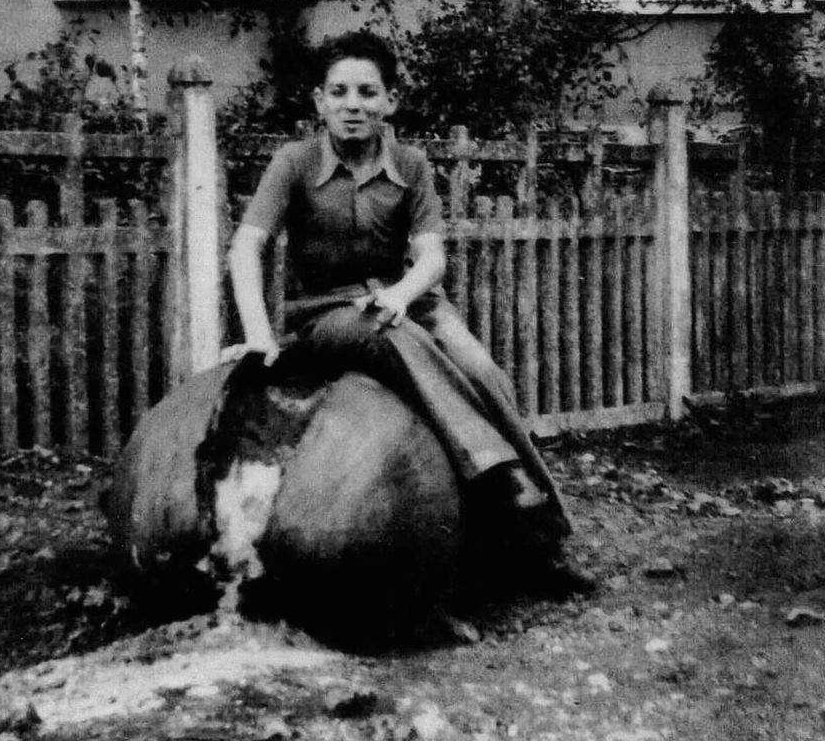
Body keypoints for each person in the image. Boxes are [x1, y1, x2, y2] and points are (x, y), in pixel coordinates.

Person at [225, 32, 574, 575]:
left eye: (368, 93)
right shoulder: (293, 162)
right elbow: (247, 245)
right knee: (393, 336)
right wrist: (258, 334)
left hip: (409, 299)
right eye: (338, 92)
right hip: (328, 311)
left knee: (484, 369)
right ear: (319, 100)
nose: (353, 106)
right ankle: (493, 469)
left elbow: (431, 258)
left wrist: (401, 294)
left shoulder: (411, 164)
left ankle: (540, 527)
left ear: (390, 101)